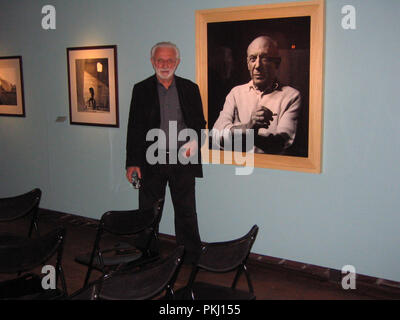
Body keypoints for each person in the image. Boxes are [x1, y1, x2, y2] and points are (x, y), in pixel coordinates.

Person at [125, 42, 206, 264]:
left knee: (186, 211)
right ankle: (148, 256)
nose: (164, 64)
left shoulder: (190, 89)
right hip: (151, 161)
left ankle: (190, 256)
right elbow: (134, 128)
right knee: (149, 212)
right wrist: (132, 162)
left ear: (177, 62)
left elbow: (200, 123)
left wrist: (194, 143)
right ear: (152, 62)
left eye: (170, 60)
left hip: (183, 160)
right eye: (160, 60)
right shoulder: (140, 90)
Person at [212, 35, 301, 155]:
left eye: (264, 58)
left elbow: (281, 144)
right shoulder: (235, 93)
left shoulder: (291, 96)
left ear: (277, 63)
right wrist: (249, 126)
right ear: (248, 64)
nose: (258, 66)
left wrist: (238, 131)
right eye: (253, 59)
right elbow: (216, 136)